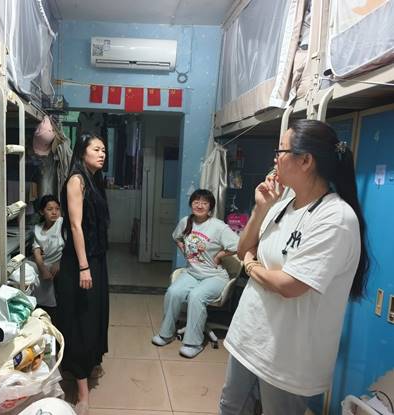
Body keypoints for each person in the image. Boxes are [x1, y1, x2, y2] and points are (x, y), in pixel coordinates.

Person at [219, 119, 369, 415]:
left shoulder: (335, 218)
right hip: (249, 337)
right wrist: (261, 208)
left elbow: (289, 285)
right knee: (230, 407)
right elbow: (243, 248)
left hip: (287, 357)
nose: (275, 158)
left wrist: (250, 267)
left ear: (305, 161)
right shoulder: (281, 204)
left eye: (281, 151)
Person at [55, 133, 110, 415]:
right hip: (80, 262)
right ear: (82, 152)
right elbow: (76, 226)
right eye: (96, 149)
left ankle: (91, 362)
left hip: (96, 259)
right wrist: (84, 266)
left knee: (96, 314)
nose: (102, 154)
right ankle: (82, 391)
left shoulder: (94, 179)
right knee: (81, 321)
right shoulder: (76, 180)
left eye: (104, 150)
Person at [152, 189, 239, 358]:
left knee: (196, 296)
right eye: (196, 202)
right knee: (173, 292)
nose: (199, 206)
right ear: (191, 204)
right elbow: (177, 237)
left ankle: (194, 343)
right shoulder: (186, 222)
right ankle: (166, 334)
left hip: (214, 276)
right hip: (192, 273)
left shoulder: (219, 227)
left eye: (204, 203)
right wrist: (184, 249)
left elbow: (238, 245)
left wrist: (220, 255)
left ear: (210, 207)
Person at [31, 194, 64, 323]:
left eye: (57, 209)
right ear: (41, 212)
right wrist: (42, 268)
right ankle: (36, 310)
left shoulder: (61, 223)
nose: (54, 212)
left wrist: (59, 263)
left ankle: (55, 314)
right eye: (50, 209)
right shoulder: (38, 228)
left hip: (60, 262)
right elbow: (36, 250)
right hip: (44, 263)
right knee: (27, 269)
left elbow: (69, 246)